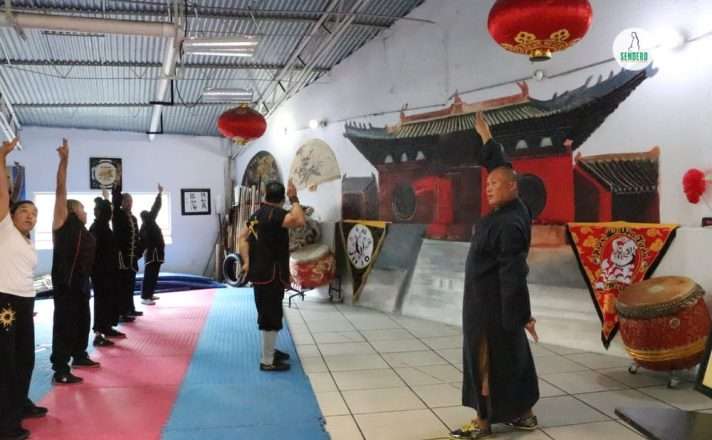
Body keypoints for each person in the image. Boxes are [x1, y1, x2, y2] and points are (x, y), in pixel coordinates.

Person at [450, 113, 539, 439]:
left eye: (495, 185)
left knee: (484, 359)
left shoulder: (509, 224)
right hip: (498, 306)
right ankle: (524, 414)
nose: (488, 188)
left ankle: (483, 422)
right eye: (487, 184)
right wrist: (487, 137)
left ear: (513, 187)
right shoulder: (517, 207)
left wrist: (523, 314)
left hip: (489, 307)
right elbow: (501, 167)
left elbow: (514, 273)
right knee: (512, 356)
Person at [0, 138, 47, 440]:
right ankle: (5, 425)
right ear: (11, 215)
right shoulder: (4, 228)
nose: (31, 216)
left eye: (34, 213)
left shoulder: (27, 242)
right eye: (25, 211)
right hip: (4, 301)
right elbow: (3, 194)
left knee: (25, 359)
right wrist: (2, 157)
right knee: (6, 362)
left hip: (25, 301)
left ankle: (20, 404)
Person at [238, 180, 305, 371]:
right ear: (282, 198)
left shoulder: (257, 215)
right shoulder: (277, 215)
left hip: (260, 273)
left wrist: (246, 261)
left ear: (264, 196)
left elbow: (242, 238)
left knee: (268, 313)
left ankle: (270, 351)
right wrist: (294, 198)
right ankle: (267, 361)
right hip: (271, 274)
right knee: (271, 317)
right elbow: (299, 220)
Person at [50, 138, 99, 385]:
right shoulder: (62, 221)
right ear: (73, 210)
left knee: (82, 322)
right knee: (65, 326)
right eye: (83, 208)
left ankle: (79, 355)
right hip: (65, 284)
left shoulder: (85, 230)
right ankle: (60, 368)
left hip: (81, 284)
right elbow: (60, 189)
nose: (86, 211)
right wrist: (64, 161)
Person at [89, 194, 125, 346]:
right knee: (101, 301)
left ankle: (107, 327)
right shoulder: (96, 228)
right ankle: (98, 333)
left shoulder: (104, 226)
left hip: (109, 271)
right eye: (109, 211)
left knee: (109, 300)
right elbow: (94, 252)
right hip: (100, 273)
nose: (111, 214)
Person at [112, 182, 143, 321]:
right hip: (122, 258)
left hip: (132, 258)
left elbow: (137, 237)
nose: (129, 203)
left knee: (130, 286)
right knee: (122, 286)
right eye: (126, 201)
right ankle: (122, 312)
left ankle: (130, 309)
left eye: (130, 201)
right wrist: (117, 185)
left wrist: (138, 253)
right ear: (121, 202)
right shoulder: (117, 215)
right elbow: (115, 199)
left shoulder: (134, 218)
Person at [139, 184, 165, 306]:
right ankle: (145, 297)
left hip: (156, 255)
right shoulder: (147, 225)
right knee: (149, 275)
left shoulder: (148, 223)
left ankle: (149, 294)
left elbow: (155, 208)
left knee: (153, 275)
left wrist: (159, 194)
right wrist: (159, 194)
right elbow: (156, 207)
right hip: (152, 255)